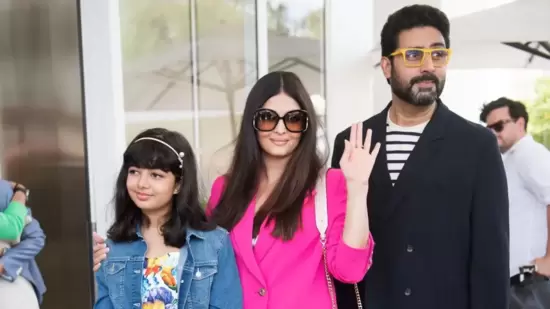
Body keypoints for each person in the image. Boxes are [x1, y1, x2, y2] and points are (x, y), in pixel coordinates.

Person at [94, 71, 378, 309]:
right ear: (252, 123)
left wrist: (358, 186)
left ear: (306, 125)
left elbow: (350, 270)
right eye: (268, 117)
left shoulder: (331, 185)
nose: (280, 129)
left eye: (293, 119)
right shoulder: (225, 189)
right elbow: (194, 253)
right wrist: (112, 255)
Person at [332, 5, 510, 309]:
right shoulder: (353, 141)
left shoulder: (476, 145)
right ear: (387, 67)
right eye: (413, 55)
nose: (428, 66)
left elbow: (491, 259)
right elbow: (338, 242)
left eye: (438, 55)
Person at [93, 128, 242, 309]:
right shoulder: (112, 249)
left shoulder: (214, 243)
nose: (142, 183)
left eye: (156, 175)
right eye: (134, 172)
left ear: (178, 184)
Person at [480, 97, 550, 309]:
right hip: (516, 279)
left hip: (529, 278)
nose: (493, 132)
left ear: (520, 123)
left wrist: (549, 259)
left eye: (499, 126)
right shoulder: (511, 157)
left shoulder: (530, 154)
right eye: (489, 128)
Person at [0, 180, 46, 309]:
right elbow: (12, 226)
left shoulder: (2, 191)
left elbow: (35, 236)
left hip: (10, 289)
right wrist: (21, 191)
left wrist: (5, 264)